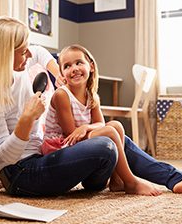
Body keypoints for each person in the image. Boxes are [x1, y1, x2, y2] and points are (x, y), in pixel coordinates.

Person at [0, 16, 182, 197]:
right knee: (105, 145)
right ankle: (130, 181)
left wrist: (59, 73)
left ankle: (176, 179)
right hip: (20, 176)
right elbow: (5, 158)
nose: (28, 54)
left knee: (117, 135)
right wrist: (25, 122)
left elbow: (38, 52)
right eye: (21, 51)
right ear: (3, 54)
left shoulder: (19, 69)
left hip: (43, 157)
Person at [41, 44, 162, 196]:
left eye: (79, 62)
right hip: (60, 144)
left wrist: (86, 128)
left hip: (77, 137)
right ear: (62, 74)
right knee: (110, 131)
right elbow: (70, 134)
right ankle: (131, 182)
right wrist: (88, 129)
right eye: (67, 66)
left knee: (116, 125)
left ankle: (117, 180)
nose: (74, 68)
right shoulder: (61, 95)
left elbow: (100, 124)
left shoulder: (92, 95)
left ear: (91, 66)